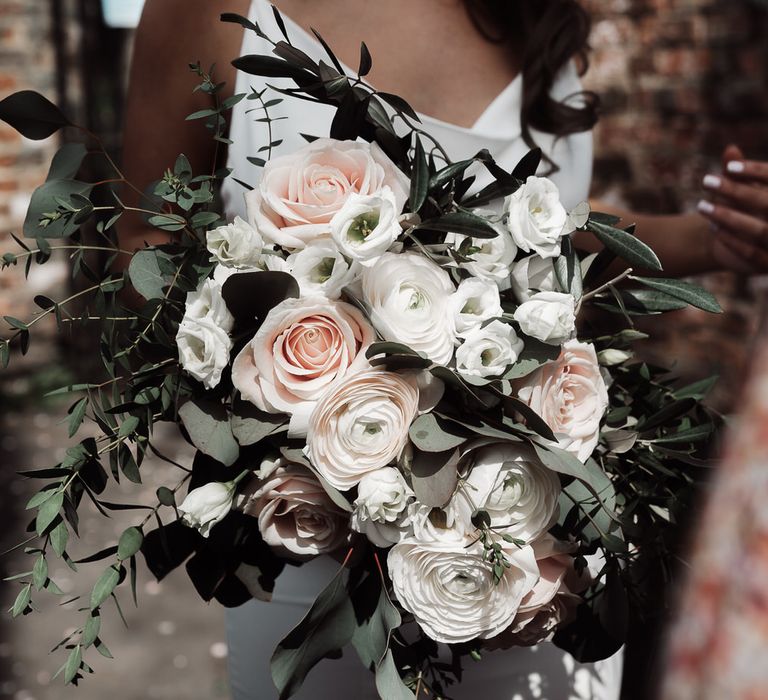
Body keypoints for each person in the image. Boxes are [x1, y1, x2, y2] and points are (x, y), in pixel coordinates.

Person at [118, 1, 768, 698]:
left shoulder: (541, 15)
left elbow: (551, 245)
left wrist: (710, 237)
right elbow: (144, 244)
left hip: (537, 558)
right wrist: (299, 382)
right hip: (317, 566)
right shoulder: (208, 8)